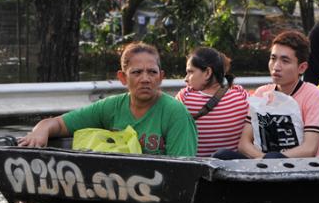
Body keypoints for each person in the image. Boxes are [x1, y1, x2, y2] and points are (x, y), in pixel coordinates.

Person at [18, 42, 197, 156]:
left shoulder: (176, 113)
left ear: (160, 77)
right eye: (136, 72)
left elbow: (183, 170)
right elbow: (57, 124)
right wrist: (40, 131)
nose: (145, 79)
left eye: (152, 72)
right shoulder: (110, 107)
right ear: (122, 78)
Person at [216, 30, 319, 159]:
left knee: (274, 158)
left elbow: (309, 149)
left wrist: (270, 161)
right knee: (221, 156)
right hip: (265, 161)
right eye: (273, 58)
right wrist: (263, 160)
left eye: (285, 61)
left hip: (304, 167)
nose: (276, 66)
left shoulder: (314, 95)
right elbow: (244, 144)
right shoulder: (261, 93)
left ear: (302, 68)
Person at [176, 47, 249, 157]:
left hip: (197, 170)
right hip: (233, 168)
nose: (186, 79)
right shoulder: (241, 95)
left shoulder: (185, 98)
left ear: (207, 73)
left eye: (190, 72)